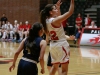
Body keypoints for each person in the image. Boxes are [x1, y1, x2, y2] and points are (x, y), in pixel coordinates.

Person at [40, 0, 74, 75]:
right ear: (50, 12)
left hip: (53, 46)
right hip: (61, 45)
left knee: (55, 67)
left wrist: (58, 8)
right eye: (54, 9)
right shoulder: (55, 21)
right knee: (64, 70)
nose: (56, 9)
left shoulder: (46, 21)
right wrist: (72, 2)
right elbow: (70, 12)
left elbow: (58, 18)